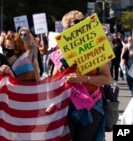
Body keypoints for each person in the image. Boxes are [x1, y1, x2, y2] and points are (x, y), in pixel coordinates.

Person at [50, 10, 111, 141]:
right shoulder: (60, 52)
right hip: (68, 106)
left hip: (92, 105)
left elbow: (107, 78)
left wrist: (83, 78)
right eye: (74, 26)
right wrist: (63, 73)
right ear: (67, 30)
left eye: (82, 23)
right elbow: (53, 81)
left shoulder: (96, 48)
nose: (78, 29)